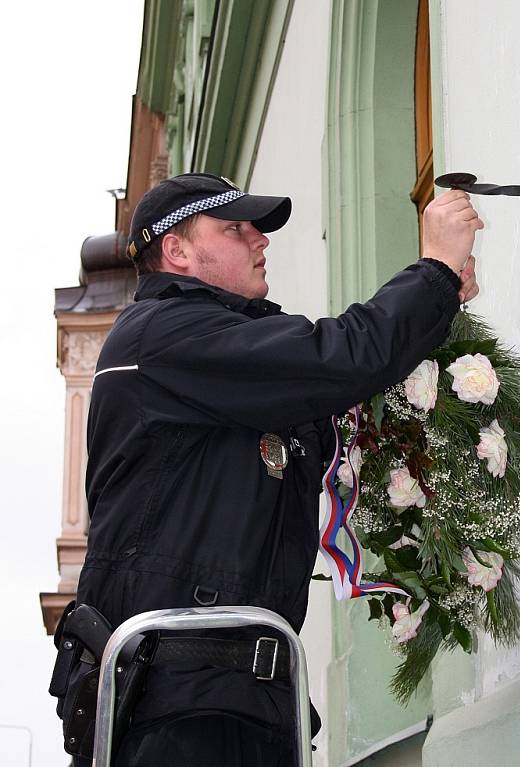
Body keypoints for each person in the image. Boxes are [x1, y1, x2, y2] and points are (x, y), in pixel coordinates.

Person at [52, 173, 482, 766]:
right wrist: (432, 270)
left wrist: (438, 306)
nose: (261, 240)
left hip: (234, 700)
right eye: (235, 228)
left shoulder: (212, 353)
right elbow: (332, 361)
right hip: (179, 710)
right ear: (176, 250)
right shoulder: (162, 337)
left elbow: (334, 390)